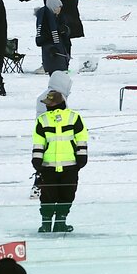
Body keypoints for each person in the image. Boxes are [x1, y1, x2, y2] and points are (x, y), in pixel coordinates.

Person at [32, 89, 88, 233]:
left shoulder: (74, 117)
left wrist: (81, 157)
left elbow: (81, 137)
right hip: (49, 166)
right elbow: (39, 141)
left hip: (68, 166)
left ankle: (59, 223)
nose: (46, 106)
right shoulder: (43, 119)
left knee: (66, 195)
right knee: (50, 196)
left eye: (49, 103)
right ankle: (47, 224)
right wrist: (37, 160)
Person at [34, 0, 71, 75]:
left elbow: (65, 31)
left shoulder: (58, 17)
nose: (60, 9)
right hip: (51, 48)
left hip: (59, 47)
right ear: (53, 7)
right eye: (58, 7)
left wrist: (65, 30)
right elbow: (43, 37)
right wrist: (51, 47)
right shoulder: (45, 17)